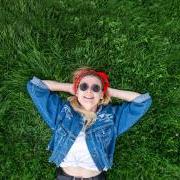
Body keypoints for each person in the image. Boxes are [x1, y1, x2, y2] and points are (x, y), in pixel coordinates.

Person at [26, 67, 152, 180]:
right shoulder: (63, 112)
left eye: (96, 88)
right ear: (76, 91)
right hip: (64, 176)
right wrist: (69, 87)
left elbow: (143, 102)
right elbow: (35, 87)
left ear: (102, 94)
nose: (89, 92)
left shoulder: (111, 117)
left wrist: (108, 91)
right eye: (83, 86)